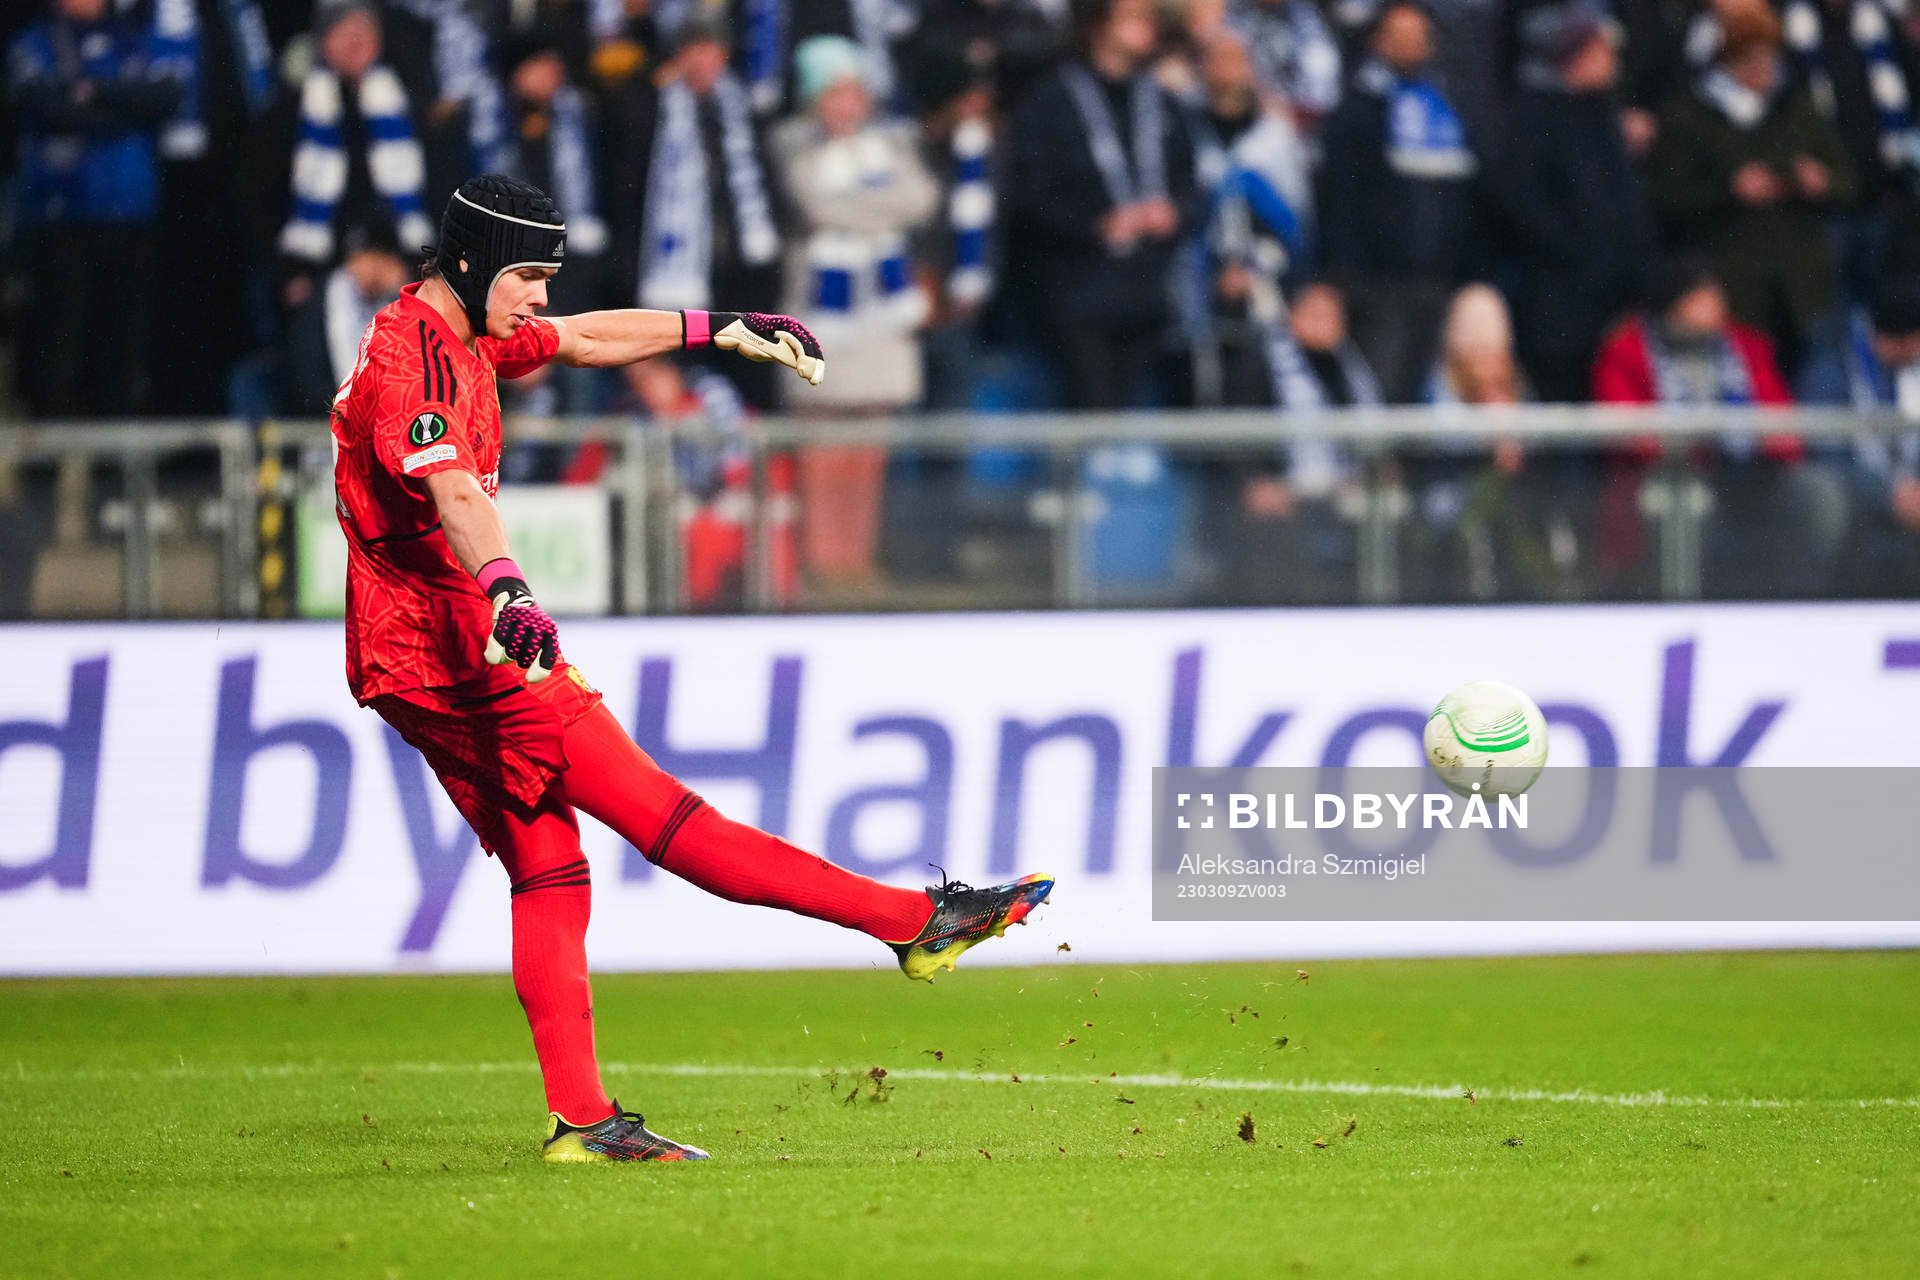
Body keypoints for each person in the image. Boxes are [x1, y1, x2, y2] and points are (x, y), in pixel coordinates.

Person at [329, 173, 1052, 1162]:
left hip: (415, 648)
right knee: (670, 821)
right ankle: (912, 922)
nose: (540, 296)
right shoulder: (416, 365)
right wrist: (508, 590)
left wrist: (722, 327)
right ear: (470, 261)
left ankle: (583, 1122)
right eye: (528, 275)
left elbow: (586, 336)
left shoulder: (460, 326)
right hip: (455, 647)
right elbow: (455, 492)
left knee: (549, 866)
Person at [772, 35, 940, 591]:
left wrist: (856, 210)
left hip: (879, 317)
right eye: (836, 93)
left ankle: (857, 559)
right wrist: (879, 208)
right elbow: (817, 203)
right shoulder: (793, 145)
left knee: (869, 444)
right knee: (822, 445)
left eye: (855, 93)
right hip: (822, 313)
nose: (847, 105)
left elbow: (920, 200)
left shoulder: (891, 144)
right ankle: (822, 559)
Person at [1000, 0, 1198, 409]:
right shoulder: (1052, 102)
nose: (1147, 27)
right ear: (1097, 26)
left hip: (1153, 286)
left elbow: (1192, 183)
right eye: (1133, 17)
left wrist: (1174, 212)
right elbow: (1030, 197)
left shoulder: (1162, 101)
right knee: (1092, 406)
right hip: (1078, 286)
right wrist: (1098, 224)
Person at [1646, 0, 1854, 376]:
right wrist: (1729, 190)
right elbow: (1668, 198)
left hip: (1802, 284)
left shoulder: (1797, 108)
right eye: (1753, 61)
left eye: (1770, 58)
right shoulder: (1689, 116)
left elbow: (1847, 180)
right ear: (1729, 61)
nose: (1765, 70)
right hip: (1732, 281)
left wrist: (1820, 181)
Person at [10, 0, 182, 417]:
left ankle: (116, 443)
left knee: (123, 346)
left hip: (131, 211)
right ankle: (51, 443)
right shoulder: (36, 41)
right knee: (58, 343)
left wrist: (96, 93)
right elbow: (43, 105)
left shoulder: (134, 39)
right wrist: (123, 114)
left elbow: (166, 96)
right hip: (63, 213)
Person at [1318, 0, 1483, 402]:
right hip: (1381, 288)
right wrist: (1348, 278)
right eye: (1398, 36)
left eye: (1418, 36)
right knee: (1383, 392)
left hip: (1443, 281)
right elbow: (1340, 199)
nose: (1410, 45)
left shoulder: (1449, 106)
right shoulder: (1358, 110)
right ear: (1377, 42)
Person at [1496, 6, 1655, 403]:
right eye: (1601, 50)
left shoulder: (1603, 116)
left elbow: (1628, 202)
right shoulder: (1533, 116)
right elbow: (1523, 203)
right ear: (1574, 56)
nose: (1612, 60)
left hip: (1612, 298)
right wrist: (1577, 249)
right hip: (1555, 301)